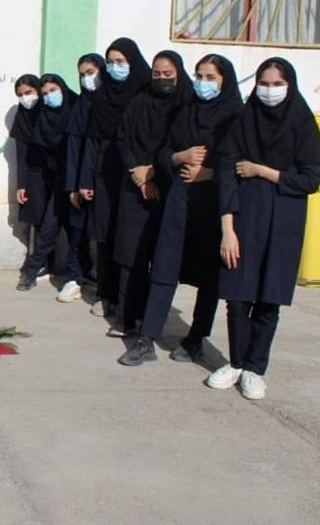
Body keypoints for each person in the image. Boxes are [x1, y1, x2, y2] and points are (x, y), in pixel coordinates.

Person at [207, 57, 320, 399]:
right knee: (237, 296)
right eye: (264, 83)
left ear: (289, 86)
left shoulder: (301, 123)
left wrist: (263, 171)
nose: (269, 91)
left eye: (277, 84)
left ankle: (256, 369)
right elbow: (227, 176)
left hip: (283, 223)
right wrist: (227, 229)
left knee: (268, 300)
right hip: (244, 219)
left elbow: (312, 176)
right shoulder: (243, 122)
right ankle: (237, 362)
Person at [119, 54, 243, 366]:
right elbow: (163, 151)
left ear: (225, 81)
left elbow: (239, 165)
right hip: (179, 202)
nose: (203, 83)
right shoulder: (185, 112)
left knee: (207, 277)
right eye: (199, 76)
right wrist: (179, 156)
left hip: (214, 207)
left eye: (210, 78)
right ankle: (146, 338)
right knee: (164, 266)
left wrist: (210, 173)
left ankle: (195, 339)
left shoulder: (236, 117)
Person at [111, 50, 193, 339]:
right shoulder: (139, 101)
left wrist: (154, 172)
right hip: (134, 186)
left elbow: (180, 143)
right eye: (156, 74)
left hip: (169, 186)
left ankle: (150, 318)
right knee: (130, 253)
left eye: (167, 74)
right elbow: (122, 137)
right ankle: (125, 318)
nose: (161, 79)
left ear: (179, 73)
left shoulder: (186, 104)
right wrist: (137, 171)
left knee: (160, 256)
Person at [78, 37, 151, 317]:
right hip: (105, 173)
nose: (114, 67)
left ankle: (128, 297)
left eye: (121, 62)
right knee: (106, 235)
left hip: (135, 173)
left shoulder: (143, 93)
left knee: (130, 236)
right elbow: (92, 140)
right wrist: (86, 180)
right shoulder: (103, 95)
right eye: (110, 62)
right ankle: (105, 294)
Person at [15, 73, 78, 292]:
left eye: (53, 91)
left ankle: (76, 273)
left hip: (75, 177)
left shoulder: (75, 109)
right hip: (54, 176)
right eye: (45, 93)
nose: (49, 96)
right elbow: (27, 152)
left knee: (75, 228)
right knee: (48, 224)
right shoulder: (42, 116)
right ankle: (34, 269)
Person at [58, 54, 103, 303]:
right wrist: (73, 185)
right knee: (77, 232)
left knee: (106, 238)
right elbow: (74, 148)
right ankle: (74, 278)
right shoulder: (81, 107)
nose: (87, 78)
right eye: (83, 74)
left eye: (92, 72)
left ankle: (104, 290)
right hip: (80, 182)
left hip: (105, 182)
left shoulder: (112, 103)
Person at [10, 74, 49, 290]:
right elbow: (21, 153)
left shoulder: (50, 112)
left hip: (57, 172)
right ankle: (38, 261)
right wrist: (21, 184)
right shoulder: (22, 117)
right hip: (34, 173)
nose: (26, 98)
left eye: (29, 92)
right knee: (37, 218)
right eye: (21, 95)